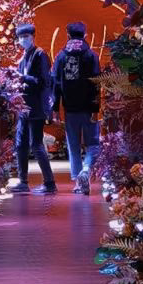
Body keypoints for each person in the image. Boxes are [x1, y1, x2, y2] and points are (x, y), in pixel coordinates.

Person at [52, 21, 101, 195]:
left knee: (73, 146)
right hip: (88, 109)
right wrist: (96, 108)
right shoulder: (91, 56)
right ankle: (86, 170)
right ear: (85, 35)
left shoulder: (61, 57)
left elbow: (56, 84)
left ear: (68, 35)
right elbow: (97, 83)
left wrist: (55, 108)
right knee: (93, 144)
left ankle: (78, 183)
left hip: (70, 109)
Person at [10, 22, 57, 195]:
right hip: (24, 107)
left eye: (26, 37)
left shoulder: (40, 55)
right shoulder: (24, 56)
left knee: (36, 144)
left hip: (37, 106)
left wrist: (23, 78)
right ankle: (23, 181)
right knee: (20, 144)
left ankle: (50, 183)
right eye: (20, 37)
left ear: (33, 37)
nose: (23, 40)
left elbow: (44, 81)